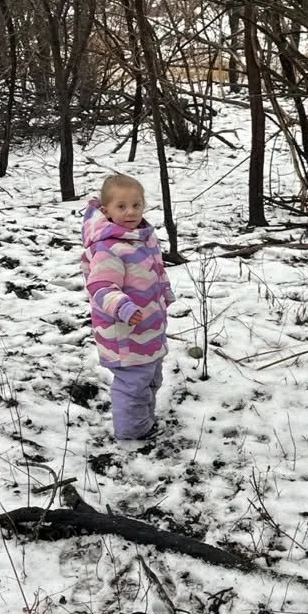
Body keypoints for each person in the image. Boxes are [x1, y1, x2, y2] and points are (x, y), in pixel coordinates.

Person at [81, 174, 175, 441]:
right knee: (133, 385)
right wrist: (121, 306)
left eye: (136, 205)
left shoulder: (143, 238)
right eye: (121, 206)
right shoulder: (110, 248)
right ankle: (132, 431)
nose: (130, 212)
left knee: (151, 377)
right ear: (106, 210)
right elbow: (100, 287)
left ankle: (143, 419)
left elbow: (155, 270)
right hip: (125, 334)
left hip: (148, 329)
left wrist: (164, 290)